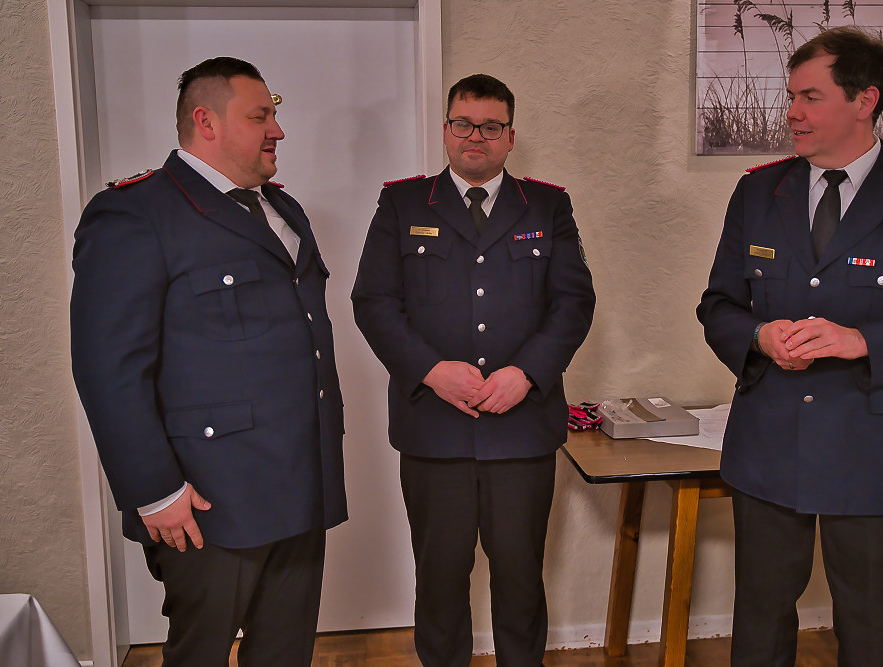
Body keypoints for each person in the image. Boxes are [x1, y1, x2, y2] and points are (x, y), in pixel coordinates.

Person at [697, 27, 883, 666]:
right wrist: (758, 335)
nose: (792, 112)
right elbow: (718, 305)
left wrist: (862, 340)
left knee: (870, 620)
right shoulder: (757, 191)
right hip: (770, 437)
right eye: (791, 96)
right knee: (760, 616)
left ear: (864, 100)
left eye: (810, 96)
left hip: (874, 443)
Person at [71, 57, 346, 666]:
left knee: (286, 655)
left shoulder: (282, 210)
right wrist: (153, 491)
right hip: (207, 499)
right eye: (261, 117)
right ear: (207, 121)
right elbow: (107, 367)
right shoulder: (136, 213)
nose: (277, 131)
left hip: (300, 481)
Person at [351, 73, 595, 666]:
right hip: (434, 431)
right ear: (446, 131)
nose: (475, 136)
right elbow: (374, 302)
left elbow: (573, 302)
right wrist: (432, 370)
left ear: (510, 136)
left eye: (490, 126)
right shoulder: (403, 203)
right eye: (463, 124)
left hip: (522, 428)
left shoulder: (548, 205)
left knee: (520, 580)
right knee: (439, 581)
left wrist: (527, 375)